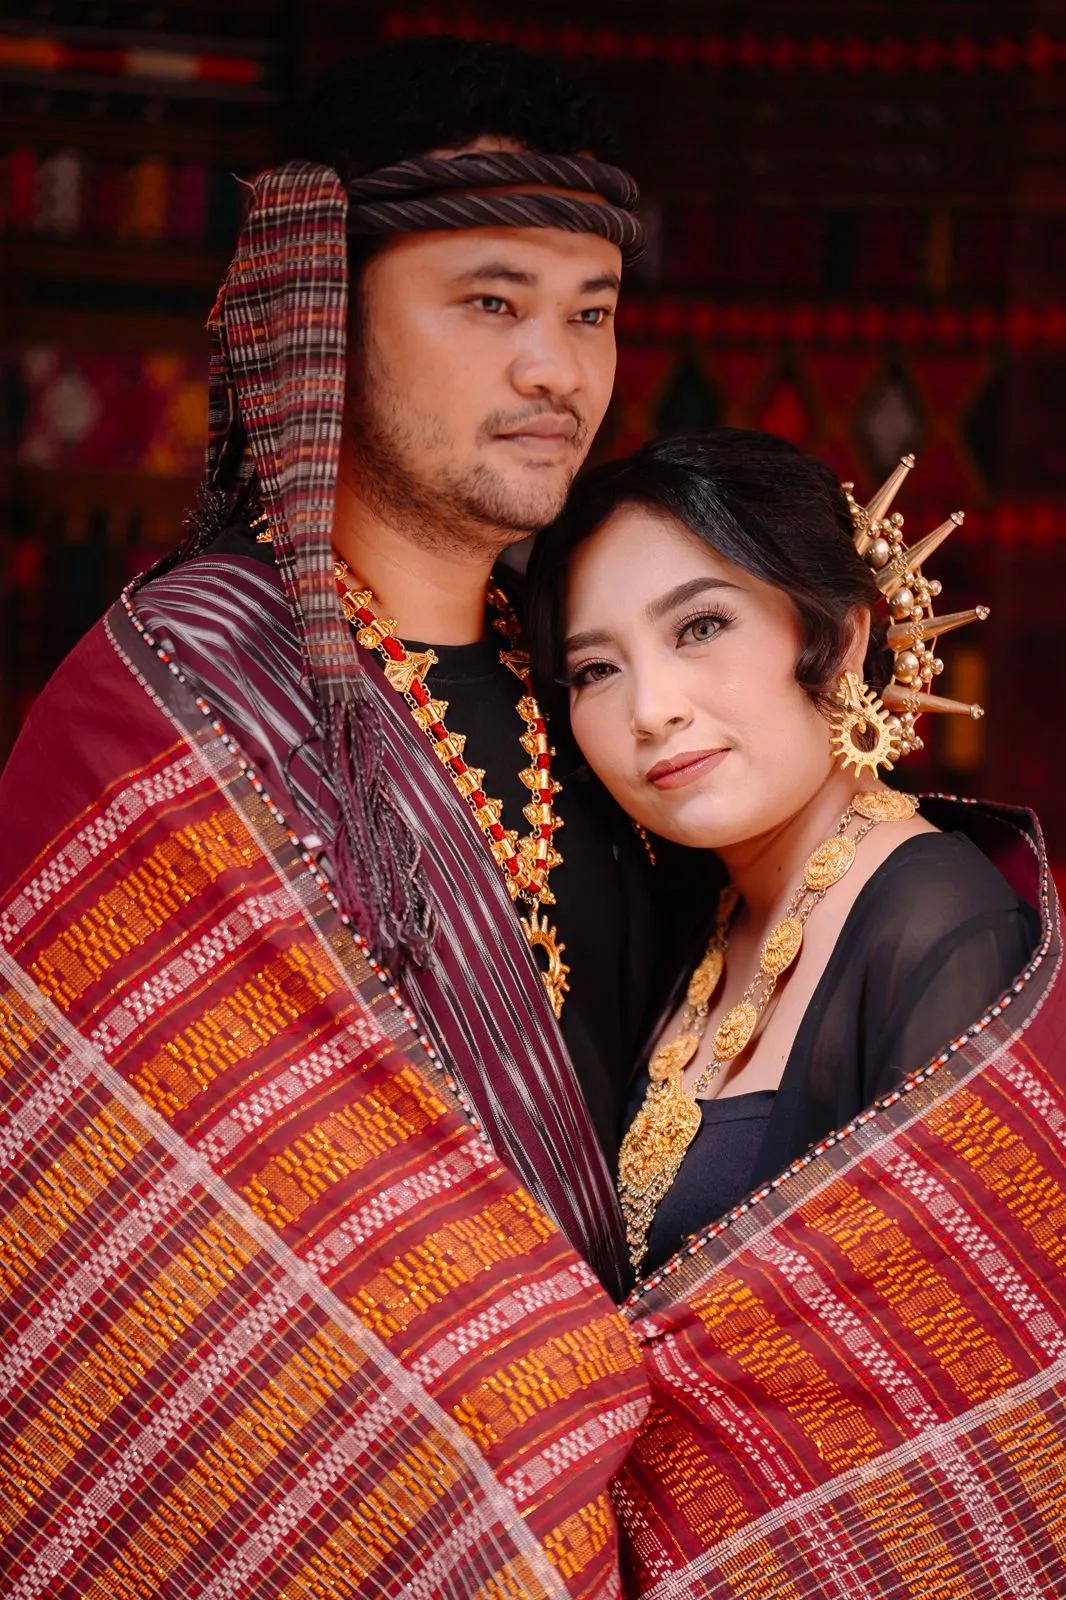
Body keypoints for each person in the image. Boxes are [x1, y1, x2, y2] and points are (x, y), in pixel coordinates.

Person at [0, 39, 652, 1598]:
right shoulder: (165, 713)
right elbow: (111, 1241)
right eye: (489, 303)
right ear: (320, 315)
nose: (556, 371)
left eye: (589, 313)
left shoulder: (623, 705)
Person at [527, 429, 1066, 1595]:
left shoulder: (937, 923)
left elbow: (956, 1415)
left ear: (841, 634)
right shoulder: (699, 925)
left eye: (699, 627)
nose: (651, 709)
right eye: (595, 669)